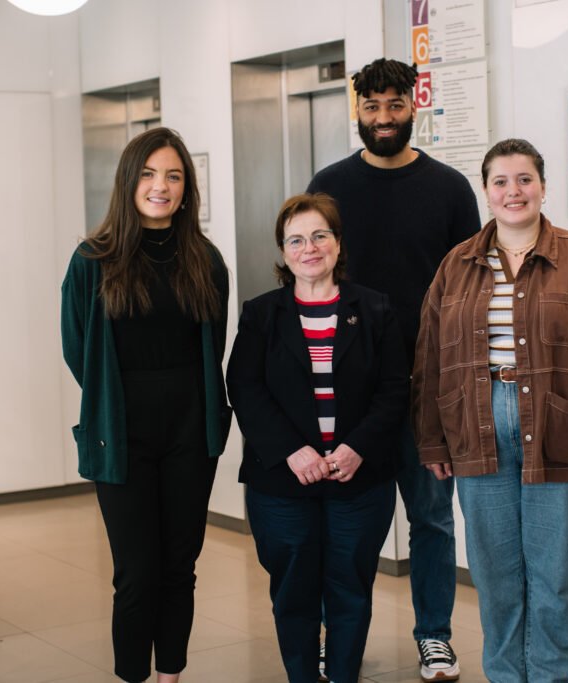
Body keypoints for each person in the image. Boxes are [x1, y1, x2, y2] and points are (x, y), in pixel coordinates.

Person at [412, 138, 568, 681]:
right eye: (500, 181)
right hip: (475, 428)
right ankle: (504, 675)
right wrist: (431, 440)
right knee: (495, 575)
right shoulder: (456, 265)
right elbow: (428, 361)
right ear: (486, 190)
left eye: (524, 179)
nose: (513, 191)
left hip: (561, 428)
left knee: (555, 575)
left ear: (543, 187)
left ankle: (547, 676)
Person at [306, 57, 480, 682]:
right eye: (372, 107)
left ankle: (434, 635)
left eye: (395, 106)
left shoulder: (451, 188)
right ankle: (336, 636)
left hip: (427, 389)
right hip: (347, 388)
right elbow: (312, 274)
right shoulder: (329, 186)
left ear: (415, 106)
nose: (383, 118)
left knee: (432, 517)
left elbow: (470, 290)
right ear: (357, 109)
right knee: (344, 525)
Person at [61, 127, 231, 683]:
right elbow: (76, 348)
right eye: (150, 173)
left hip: (189, 431)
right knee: (136, 573)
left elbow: (214, 344)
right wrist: (117, 401)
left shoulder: (206, 260)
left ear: (187, 188)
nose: (161, 186)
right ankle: (133, 675)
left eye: (174, 176)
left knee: (180, 568)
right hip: (121, 433)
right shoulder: (92, 260)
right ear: (128, 180)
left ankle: (171, 676)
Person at [226, 193, 407, 683]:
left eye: (319, 235)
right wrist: (291, 450)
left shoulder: (374, 308)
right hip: (284, 485)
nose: (310, 248)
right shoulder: (262, 315)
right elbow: (243, 387)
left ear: (338, 242)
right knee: (294, 592)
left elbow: (395, 389)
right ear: (284, 252)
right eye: (296, 239)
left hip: (359, 479)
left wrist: (358, 448)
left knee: (351, 589)